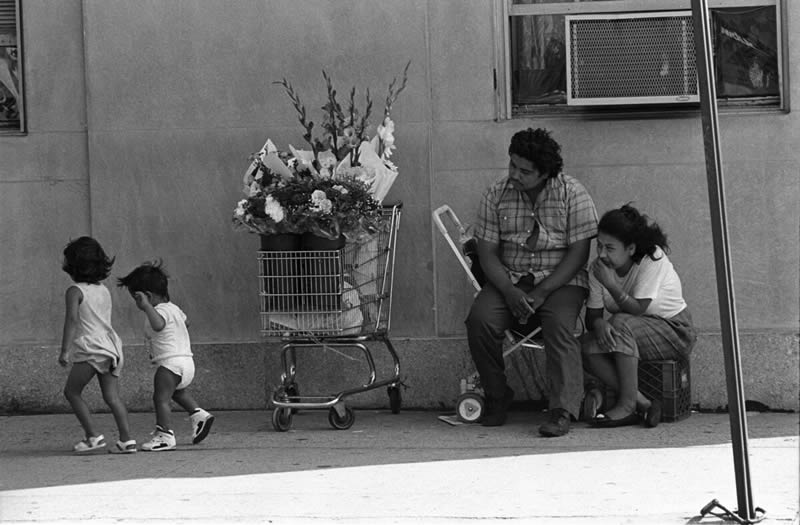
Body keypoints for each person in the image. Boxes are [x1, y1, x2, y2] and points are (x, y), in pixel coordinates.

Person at [466, 127, 598, 437]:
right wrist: (510, 291)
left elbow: (579, 254)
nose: (515, 174)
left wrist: (542, 292)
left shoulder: (572, 192)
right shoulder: (495, 193)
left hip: (561, 280)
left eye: (525, 170)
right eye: (512, 165)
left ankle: (562, 409)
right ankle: (498, 396)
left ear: (545, 173)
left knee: (560, 326)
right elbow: (487, 254)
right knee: (479, 320)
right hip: (509, 278)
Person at [581, 204, 696, 428]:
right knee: (585, 344)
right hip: (633, 333)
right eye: (599, 246)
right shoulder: (598, 268)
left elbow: (637, 309)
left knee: (621, 322)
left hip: (675, 330)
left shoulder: (652, 259)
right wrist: (598, 324)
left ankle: (626, 405)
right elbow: (591, 316)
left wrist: (611, 284)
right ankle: (644, 403)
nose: (602, 254)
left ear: (631, 248)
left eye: (610, 248)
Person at [117, 261, 214, 451]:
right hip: (186, 362)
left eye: (136, 298)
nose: (136, 303)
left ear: (147, 296)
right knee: (176, 392)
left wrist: (146, 308)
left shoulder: (158, 311)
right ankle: (198, 414)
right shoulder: (174, 308)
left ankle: (165, 435)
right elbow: (186, 323)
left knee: (160, 398)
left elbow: (158, 325)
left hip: (170, 363)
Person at [59, 236, 135, 454]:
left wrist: (65, 351)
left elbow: (72, 321)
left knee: (72, 392)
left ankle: (93, 436)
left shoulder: (74, 291)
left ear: (72, 266)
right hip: (111, 347)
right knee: (112, 397)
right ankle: (126, 440)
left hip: (91, 348)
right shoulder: (103, 289)